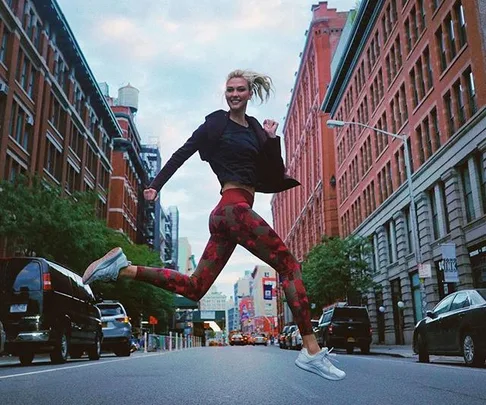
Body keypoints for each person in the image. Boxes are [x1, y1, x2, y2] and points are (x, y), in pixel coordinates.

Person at [82, 69, 345, 381]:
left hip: (230, 214)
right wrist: (156, 184)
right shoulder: (215, 124)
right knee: (290, 267)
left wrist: (273, 140)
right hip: (232, 209)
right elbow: (184, 151)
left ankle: (124, 269)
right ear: (226, 93)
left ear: (249, 94)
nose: (234, 94)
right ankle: (312, 350)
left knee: (195, 288)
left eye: (240, 90)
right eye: (230, 89)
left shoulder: (257, 130)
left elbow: (275, 172)